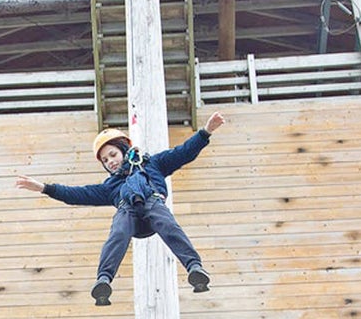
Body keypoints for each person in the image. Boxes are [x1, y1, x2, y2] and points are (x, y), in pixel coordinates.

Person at [16, 112, 225, 306]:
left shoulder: (153, 164)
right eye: (105, 161)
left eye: (113, 155)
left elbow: (184, 152)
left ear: (124, 150)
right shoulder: (110, 187)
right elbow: (76, 194)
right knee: (117, 232)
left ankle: (194, 267)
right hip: (129, 214)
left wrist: (206, 132)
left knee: (168, 224)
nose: (111, 162)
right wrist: (44, 188)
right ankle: (104, 279)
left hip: (152, 205)